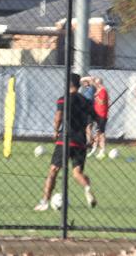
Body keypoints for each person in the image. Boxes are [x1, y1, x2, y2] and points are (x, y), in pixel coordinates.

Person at [34, 73, 97, 211]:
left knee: (53, 170)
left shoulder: (63, 99)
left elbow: (58, 117)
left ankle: (45, 201)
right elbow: (89, 122)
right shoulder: (85, 102)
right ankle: (87, 188)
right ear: (78, 85)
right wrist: (90, 137)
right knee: (77, 173)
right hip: (80, 142)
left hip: (65, 140)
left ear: (68, 84)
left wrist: (56, 131)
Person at [92, 77, 109, 160]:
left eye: (97, 83)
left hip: (102, 115)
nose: (96, 84)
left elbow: (102, 102)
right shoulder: (98, 91)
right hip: (97, 115)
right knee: (97, 133)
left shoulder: (103, 91)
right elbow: (90, 79)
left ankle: (102, 151)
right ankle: (94, 149)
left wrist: (96, 97)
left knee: (101, 133)